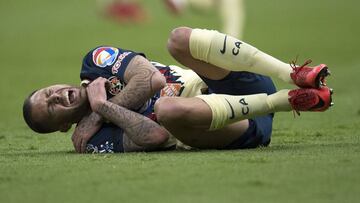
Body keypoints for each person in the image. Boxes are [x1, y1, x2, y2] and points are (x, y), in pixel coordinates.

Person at [23, 27, 333, 153]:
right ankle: (286, 101)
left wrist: (103, 105)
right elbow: (156, 137)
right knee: (167, 112)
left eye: (48, 91)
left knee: (178, 38)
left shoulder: (95, 62)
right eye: (50, 107)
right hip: (234, 124)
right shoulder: (90, 141)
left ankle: (292, 74)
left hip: (226, 82)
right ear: (63, 127)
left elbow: (152, 80)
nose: (55, 96)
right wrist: (102, 110)